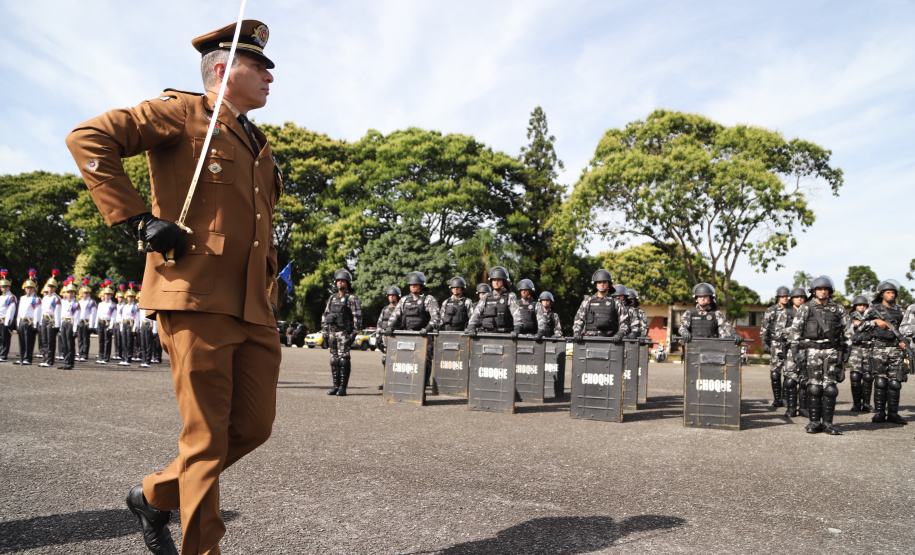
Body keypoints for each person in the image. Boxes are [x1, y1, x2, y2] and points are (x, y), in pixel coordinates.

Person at [66, 18, 282, 555]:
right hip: (195, 295)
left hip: (252, 307)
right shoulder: (183, 114)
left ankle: (153, 495)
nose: (270, 79)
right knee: (205, 439)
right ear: (223, 70)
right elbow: (88, 137)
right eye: (259, 68)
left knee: (254, 427)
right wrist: (138, 220)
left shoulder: (259, 142)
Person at [787, 276, 850, 435]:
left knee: (830, 388)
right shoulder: (805, 308)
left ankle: (828, 423)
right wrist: (795, 351)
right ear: (814, 291)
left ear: (829, 291)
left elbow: (848, 331)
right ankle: (814, 422)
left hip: (832, 351)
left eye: (825, 289)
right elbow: (795, 331)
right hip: (812, 351)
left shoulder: (838, 308)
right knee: (814, 387)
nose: (823, 291)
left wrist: (848, 349)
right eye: (820, 289)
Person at [385, 271, 441, 394]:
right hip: (408, 336)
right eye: (411, 285)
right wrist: (390, 326)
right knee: (407, 362)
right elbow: (395, 316)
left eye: (415, 284)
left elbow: (436, 317)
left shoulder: (428, 299)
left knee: (424, 361)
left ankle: (423, 387)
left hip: (423, 337)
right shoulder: (404, 300)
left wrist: (427, 329)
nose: (413, 286)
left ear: (421, 285)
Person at [863, 280, 908, 424]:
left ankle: (893, 413)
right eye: (888, 292)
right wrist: (875, 322)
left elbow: (905, 329)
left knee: (895, 382)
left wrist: (904, 341)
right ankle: (879, 413)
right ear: (882, 294)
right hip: (879, 348)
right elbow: (859, 327)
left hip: (895, 348)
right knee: (881, 381)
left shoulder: (900, 311)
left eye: (893, 292)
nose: (891, 295)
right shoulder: (873, 309)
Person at [322, 268, 362, 396]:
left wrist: (354, 333)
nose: (340, 283)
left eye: (343, 281)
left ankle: (343, 388)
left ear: (348, 283)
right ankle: (335, 386)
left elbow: (357, 316)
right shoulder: (332, 298)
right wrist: (324, 331)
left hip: (344, 333)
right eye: (338, 281)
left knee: (344, 360)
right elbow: (326, 314)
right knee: (334, 360)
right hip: (332, 333)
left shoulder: (352, 298)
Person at [571, 269, 629, 343]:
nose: (602, 284)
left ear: (608, 283)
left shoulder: (616, 302)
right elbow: (579, 320)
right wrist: (577, 332)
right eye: (599, 282)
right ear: (596, 284)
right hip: (590, 341)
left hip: (610, 341)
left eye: (604, 282)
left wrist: (620, 334)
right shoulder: (587, 301)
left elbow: (625, 322)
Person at [466, 266, 522, 338]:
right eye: (494, 280)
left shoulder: (510, 296)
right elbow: (477, 312)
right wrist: (472, 326)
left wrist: (517, 329)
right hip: (487, 334)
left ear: (504, 282)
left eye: (498, 280)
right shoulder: (486, 296)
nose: (496, 282)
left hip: (505, 335)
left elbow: (516, 313)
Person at [780, 287, 810, 418]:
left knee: (805, 381)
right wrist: (795, 329)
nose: (800, 299)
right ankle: (791, 408)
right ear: (792, 299)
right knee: (790, 381)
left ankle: (803, 408)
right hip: (792, 349)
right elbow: (779, 332)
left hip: (807, 349)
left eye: (802, 297)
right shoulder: (785, 313)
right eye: (797, 297)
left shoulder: (811, 312)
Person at [760, 286, 791, 408]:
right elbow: (764, 327)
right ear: (778, 297)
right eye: (782, 296)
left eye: (787, 296)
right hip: (775, 344)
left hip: (789, 345)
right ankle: (777, 398)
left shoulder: (793, 310)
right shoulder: (771, 310)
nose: (785, 298)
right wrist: (764, 342)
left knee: (789, 373)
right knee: (775, 373)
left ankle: (786, 398)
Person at [847, 295, 874, 413]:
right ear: (855, 306)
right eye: (859, 305)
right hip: (855, 349)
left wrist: (863, 323)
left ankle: (867, 403)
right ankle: (856, 404)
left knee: (868, 377)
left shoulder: (873, 316)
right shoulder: (850, 318)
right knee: (855, 376)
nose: (862, 307)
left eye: (864, 305)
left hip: (869, 349)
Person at [375, 285, 401, 390]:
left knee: (398, 360)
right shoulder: (385, 309)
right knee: (386, 360)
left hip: (397, 338)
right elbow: (379, 323)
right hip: (385, 339)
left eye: (393, 295)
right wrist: (377, 337)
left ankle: (397, 382)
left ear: (397, 296)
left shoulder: (401, 308)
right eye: (389, 295)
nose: (391, 297)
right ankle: (387, 381)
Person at [539, 291, 565, 397]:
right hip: (538, 343)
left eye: (547, 300)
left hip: (550, 344)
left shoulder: (554, 315)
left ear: (551, 302)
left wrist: (556, 336)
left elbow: (558, 330)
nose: (545, 302)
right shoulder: (536, 313)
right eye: (543, 300)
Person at [14, 271, 41, 365]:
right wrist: (17, 322)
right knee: (21, 340)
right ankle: (22, 357)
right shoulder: (22, 298)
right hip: (22, 321)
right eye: (27, 288)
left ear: (34, 289)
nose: (29, 289)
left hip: (30, 322)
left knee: (29, 341)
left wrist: (35, 324)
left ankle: (27, 358)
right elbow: (20, 311)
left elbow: (37, 312)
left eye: (31, 288)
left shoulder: (36, 299)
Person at [38, 270, 61, 367]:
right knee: (44, 340)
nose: (50, 288)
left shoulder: (56, 298)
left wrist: (57, 325)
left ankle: (50, 360)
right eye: (49, 286)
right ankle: (45, 358)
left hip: (52, 320)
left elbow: (58, 312)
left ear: (55, 288)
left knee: (50, 340)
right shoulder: (45, 298)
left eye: (52, 287)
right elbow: (42, 310)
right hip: (44, 319)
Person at [58, 279, 79, 370]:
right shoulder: (63, 302)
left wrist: (74, 329)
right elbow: (60, 314)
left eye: (72, 293)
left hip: (71, 323)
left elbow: (76, 318)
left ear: (75, 294)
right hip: (64, 323)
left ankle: (70, 363)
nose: (70, 294)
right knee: (64, 344)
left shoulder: (76, 304)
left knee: (70, 344)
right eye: (68, 292)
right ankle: (65, 361)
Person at [95, 280, 117, 365]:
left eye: (108, 295)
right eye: (105, 294)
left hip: (107, 323)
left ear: (111, 296)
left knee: (107, 340)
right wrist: (96, 324)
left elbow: (113, 316)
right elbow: (98, 314)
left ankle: (106, 357)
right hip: (101, 322)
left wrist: (111, 326)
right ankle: (100, 356)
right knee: (101, 340)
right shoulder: (101, 304)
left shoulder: (112, 305)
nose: (107, 296)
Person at [77, 278, 98, 362]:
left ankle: (85, 354)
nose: (85, 294)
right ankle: (80, 352)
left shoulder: (91, 302)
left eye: (87, 293)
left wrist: (91, 325)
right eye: (84, 293)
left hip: (86, 322)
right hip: (80, 321)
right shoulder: (79, 302)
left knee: (85, 339)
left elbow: (93, 314)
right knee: (80, 339)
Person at [0, 270, 16, 362]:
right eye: (2, 287)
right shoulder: (1, 297)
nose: (4, 288)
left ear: (9, 287)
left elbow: (11, 310)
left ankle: (3, 355)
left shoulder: (11, 297)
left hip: (5, 320)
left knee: (5, 338)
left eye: (6, 286)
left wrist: (7, 322)